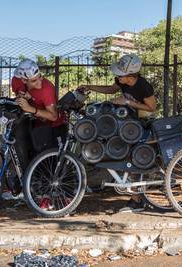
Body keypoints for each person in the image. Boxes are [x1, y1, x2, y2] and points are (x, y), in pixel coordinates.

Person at [78, 54, 157, 212]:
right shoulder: (121, 82)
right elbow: (110, 89)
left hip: (141, 123)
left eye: (120, 73)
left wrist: (127, 102)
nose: (117, 76)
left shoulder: (143, 86)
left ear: (131, 75)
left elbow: (151, 108)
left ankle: (137, 200)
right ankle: (134, 196)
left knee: (133, 157)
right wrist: (90, 86)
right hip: (129, 122)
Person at [11, 59, 67, 209]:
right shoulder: (16, 81)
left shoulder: (46, 88)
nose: (39, 82)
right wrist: (23, 97)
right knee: (36, 158)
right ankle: (39, 194)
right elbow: (19, 96)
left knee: (53, 163)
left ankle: (62, 197)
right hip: (37, 124)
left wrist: (32, 109)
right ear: (23, 80)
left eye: (39, 77)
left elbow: (54, 116)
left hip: (56, 125)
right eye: (34, 81)